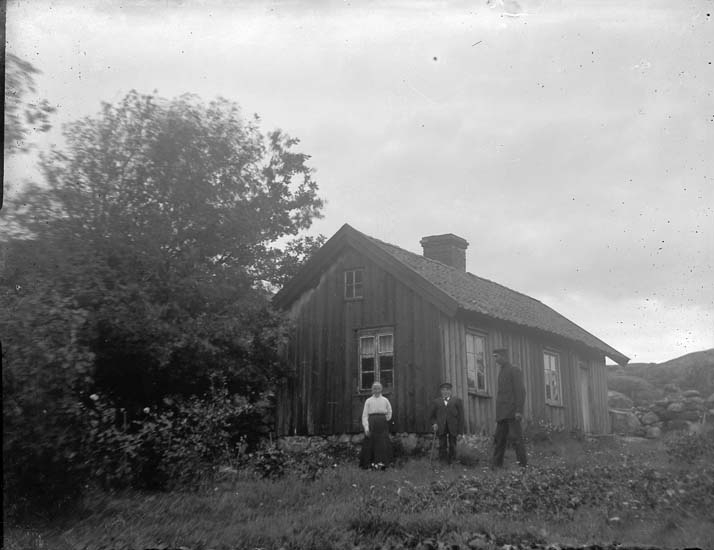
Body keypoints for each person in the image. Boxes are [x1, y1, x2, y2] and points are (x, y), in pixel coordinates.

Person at [492, 347, 528, 468]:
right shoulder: (501, 372)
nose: (495, 359)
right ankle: (496, 467)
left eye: (497, 356)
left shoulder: (514, 370)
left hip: (512, 412)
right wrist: (498, 415)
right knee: (499, 440)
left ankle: (523, 467)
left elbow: (520, 391)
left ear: (504, 356)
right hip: (502, 414)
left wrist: (519, 410)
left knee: (517, 439)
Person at [428, 382, 464, 464]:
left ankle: (452, 462)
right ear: (441, 391)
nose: (445, 392)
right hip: (441, 427)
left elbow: (461, 417)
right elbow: (431, 416)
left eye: (447, 390)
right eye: (443, 390)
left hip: (453, 427)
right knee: (442, 445)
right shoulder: (436, 402)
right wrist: (434, 423)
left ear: (450, 391)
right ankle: (442, 462)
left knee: (453, 445)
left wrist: (460, 432)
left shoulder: (457, 401)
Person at [359, 382, 393, 469]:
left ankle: (383, 464)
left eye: (378, 388)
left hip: (382, 423)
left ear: (381, 389)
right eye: (374, 389)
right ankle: (369, 464)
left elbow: (389, 411)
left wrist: (385, 419)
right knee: (370, 442)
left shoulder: (385, 400)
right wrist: (366, 428)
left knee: (382, 442)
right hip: (372, 423)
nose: (376, 390)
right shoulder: (368, 401)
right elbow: (365, 415)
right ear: (372, 390)